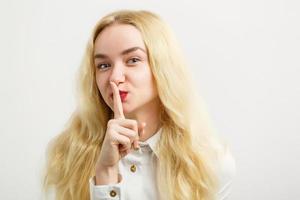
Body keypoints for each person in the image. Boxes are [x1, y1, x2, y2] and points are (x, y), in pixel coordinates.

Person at [43, 9, 236, 200]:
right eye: (103, 65)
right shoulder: (69, 154)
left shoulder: (211, 162)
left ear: (162, 67)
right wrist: (106, 172)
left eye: (133, 60)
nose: (115, 78)